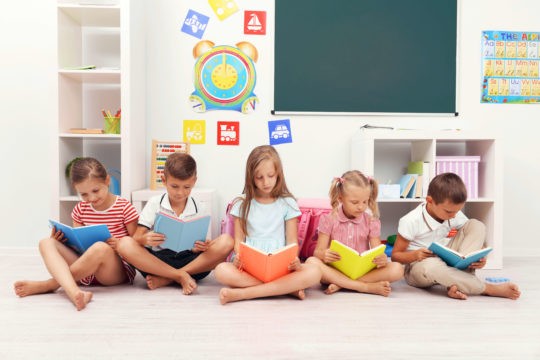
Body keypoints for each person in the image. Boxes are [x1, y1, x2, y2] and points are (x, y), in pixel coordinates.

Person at [14, 157, 139, 311]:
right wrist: (61, 241)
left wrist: (119, 244)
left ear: (107, 181)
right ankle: (75, 293)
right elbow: (78, 243)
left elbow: (137, 243)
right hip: (85, 269)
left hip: (114, 271)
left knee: (100, 247)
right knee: (46, 242)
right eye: (84, 194)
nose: (92, 198)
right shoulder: (80, 210)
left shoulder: (124, 207)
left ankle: (50, 284)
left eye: (95, 191)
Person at [214, 145, 321, 305]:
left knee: (315, 272)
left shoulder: (287, 203)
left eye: (271, 175)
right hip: (251, 268)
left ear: (278, 173)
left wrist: (294, 260)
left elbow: (292, 241)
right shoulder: (242, 205)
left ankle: (243, 294)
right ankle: (286, 288)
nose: (266, 182)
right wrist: (238, 258)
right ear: (251, 177)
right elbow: (238, 242)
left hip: (281, 268)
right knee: (221, 270)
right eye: (259, 177)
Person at [116, 152, 234, 295]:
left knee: (227, 241)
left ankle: (171, 277)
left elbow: (201, 245)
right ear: (164, 180)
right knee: (124, 243)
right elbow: (137, 237)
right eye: (174, 186)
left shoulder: (199, 206)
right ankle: (179, 276)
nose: (180, 192)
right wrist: (145, 238)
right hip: (159, 261)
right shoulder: (154, 203)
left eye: (187, 187)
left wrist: (200, 247)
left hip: (190, 262)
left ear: (194, 181)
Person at [391, 172, 520, 300]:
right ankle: (488, 289)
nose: (453, 215)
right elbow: (395, 256)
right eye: (449, 211)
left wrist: (479, 257)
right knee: (431, 267)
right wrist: (415, 255)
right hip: (419, 267)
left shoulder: (453, 213)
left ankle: (455, 285)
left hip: (447, 260)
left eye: (457, 211)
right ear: (430, 201)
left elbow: (470, 236)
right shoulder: (410, 221)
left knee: (476, 225)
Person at [306, 171, 403, 296]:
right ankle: (364, 287)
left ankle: (342, 284)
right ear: (340, 198)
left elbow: (378, 252)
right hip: (334, 270)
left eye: (365, 202)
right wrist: (324, 254)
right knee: (311, 262)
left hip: (361, 271)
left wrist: (382, 259)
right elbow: (318, 252)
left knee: (397, 269)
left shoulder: (371, 221)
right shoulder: (329, 219)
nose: (361, 207)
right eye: (355, 202)